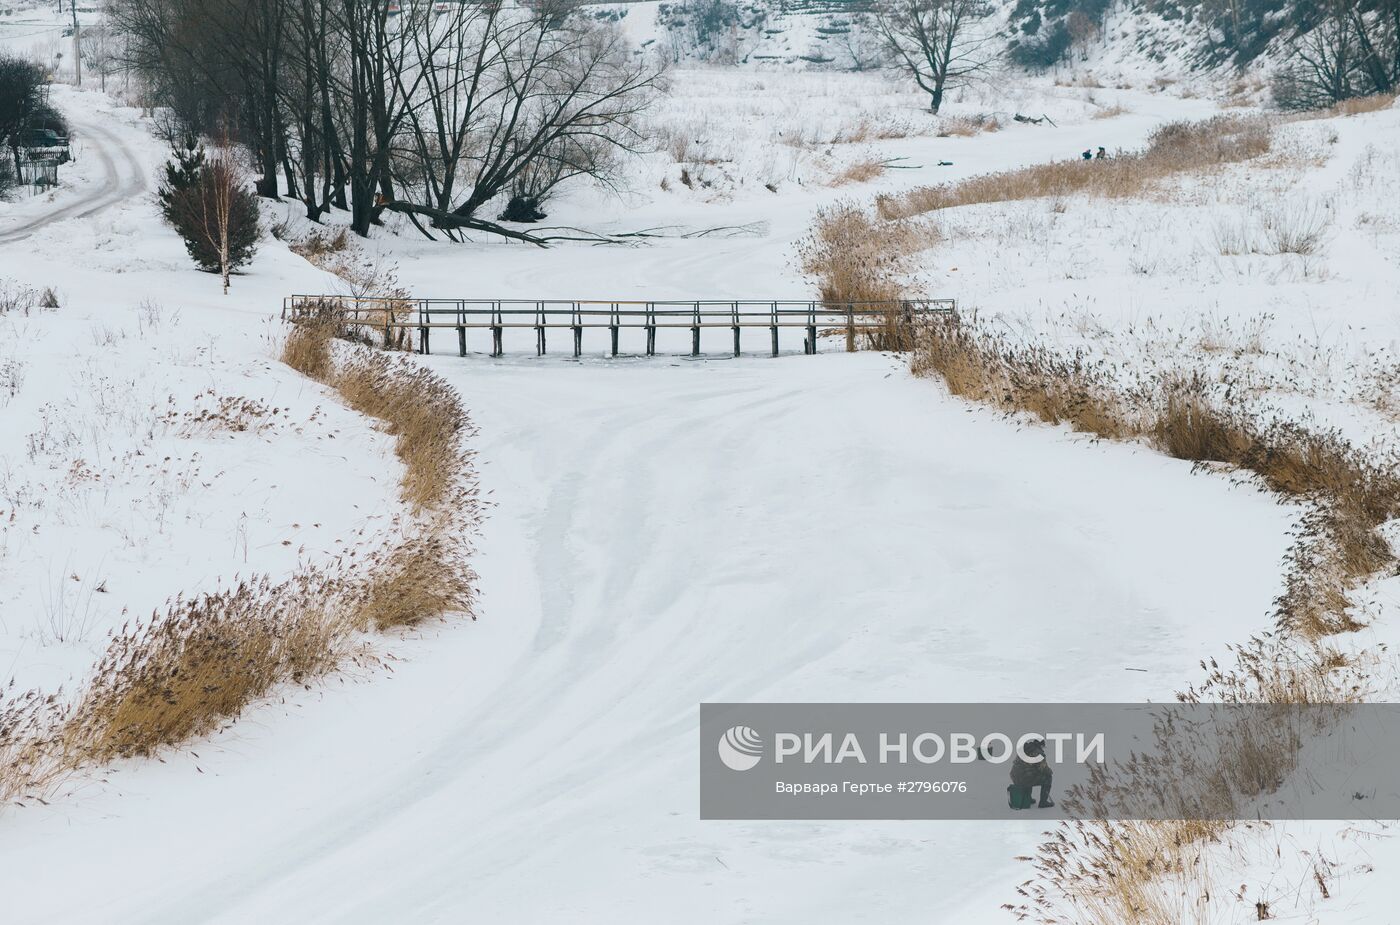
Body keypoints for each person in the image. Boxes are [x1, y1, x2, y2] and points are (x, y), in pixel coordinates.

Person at [1010, 738, 1054, 808]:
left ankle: (1028, 798)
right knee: (1048, 778)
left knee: (1029, 774)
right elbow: (1043, 768)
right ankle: (1043, 802)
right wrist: (1050, 771)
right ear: (1040, 745)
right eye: (1042, 746)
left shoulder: (1024, 750)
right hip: (1024, 778)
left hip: (1014, 777)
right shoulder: (1038, 753)